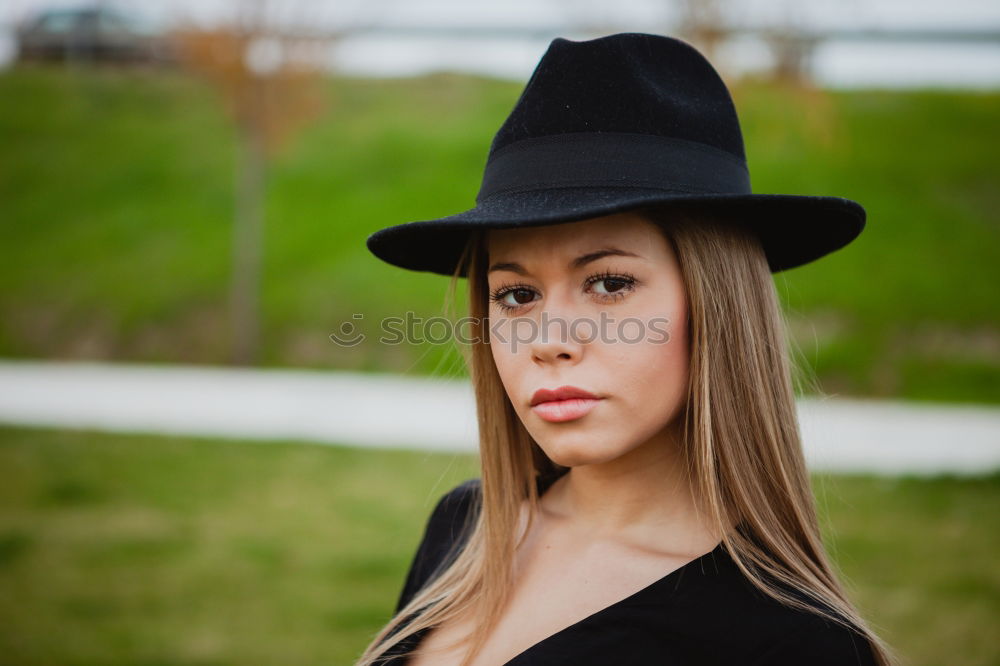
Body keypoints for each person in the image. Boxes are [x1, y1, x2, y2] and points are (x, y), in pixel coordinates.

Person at [357, 32, 896, 666]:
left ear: (717, 305)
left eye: (610, 284)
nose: (549, 341)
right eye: (516, 295)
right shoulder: (464, 529)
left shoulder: (784, 642)